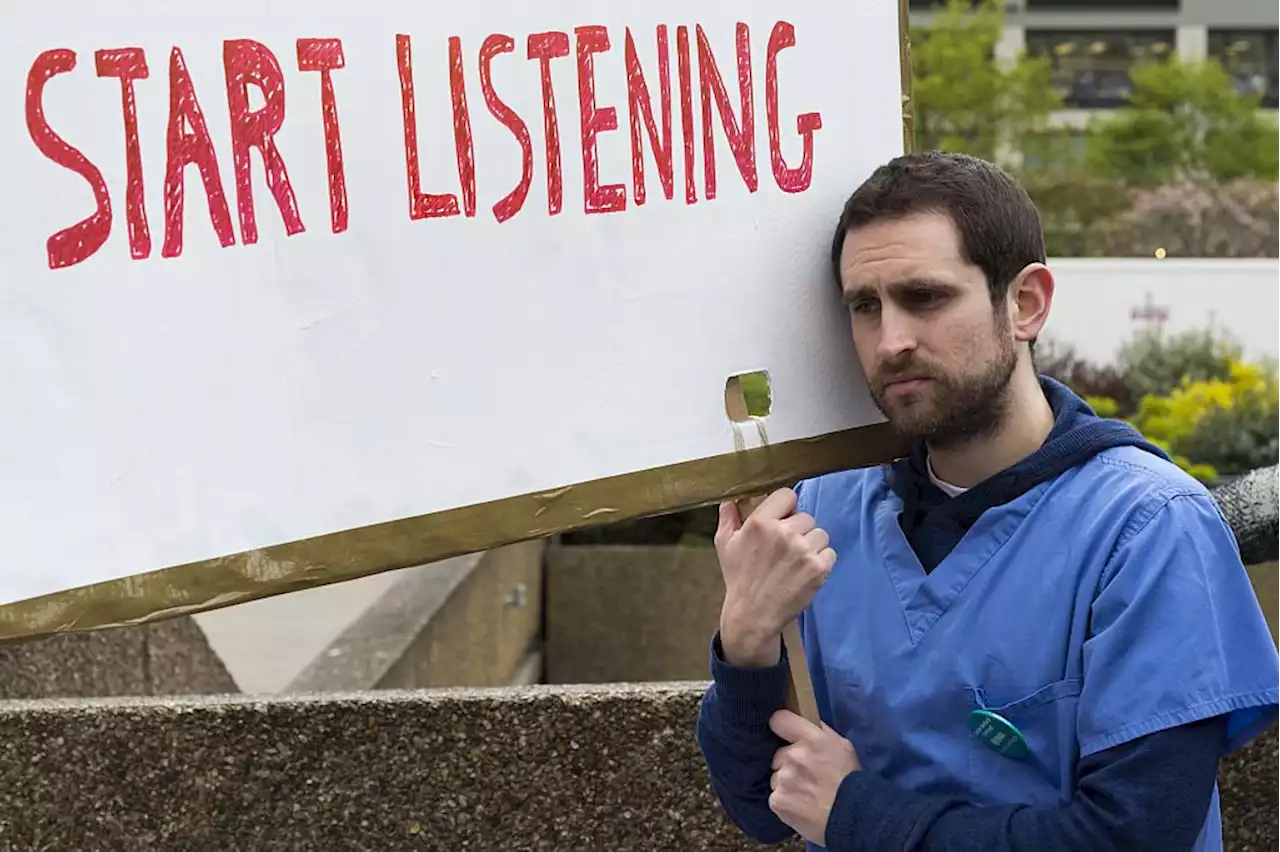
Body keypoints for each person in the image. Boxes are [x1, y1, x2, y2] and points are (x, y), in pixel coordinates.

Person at [695, 150, 1280, 852]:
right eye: (864, 307)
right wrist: (746, 641)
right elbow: (763, 808)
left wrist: (860, 816)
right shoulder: (822, 510)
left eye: (926, 297)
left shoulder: (1146, 527)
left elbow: (1135, 834)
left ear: (1026, 303)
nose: (892, 341)